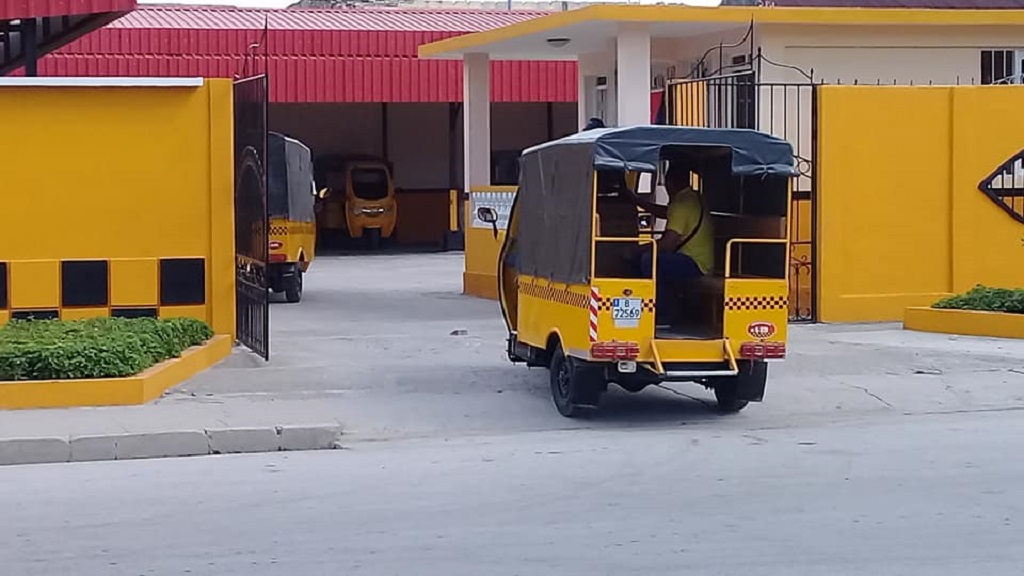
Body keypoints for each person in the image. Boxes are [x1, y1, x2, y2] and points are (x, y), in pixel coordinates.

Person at [626, 163, 714, 324]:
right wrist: (638, 201)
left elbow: (668, 244)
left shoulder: (680, 204)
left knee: (649, 261)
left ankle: (662, 313)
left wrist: (637, 250)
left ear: (670, 183)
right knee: (655, 260)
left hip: (694, 263)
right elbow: (665, 213)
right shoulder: (693, 198)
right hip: (704, 262)